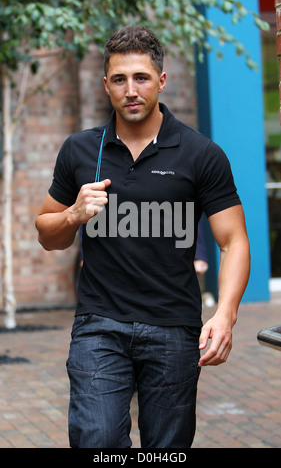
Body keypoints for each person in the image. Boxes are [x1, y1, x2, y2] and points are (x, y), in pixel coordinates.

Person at [35, 25, 250, 448]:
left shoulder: (200, 153)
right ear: (106, 86)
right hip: (100, 325)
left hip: (174, 327)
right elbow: (47, 233)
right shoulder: (80, 150)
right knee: (95, 440)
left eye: (141, 78)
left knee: (166, 449)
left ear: (161, 81)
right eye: (119, 79)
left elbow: (233, 241)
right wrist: (74, 215)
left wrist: (225, 315)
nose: (130, 90)